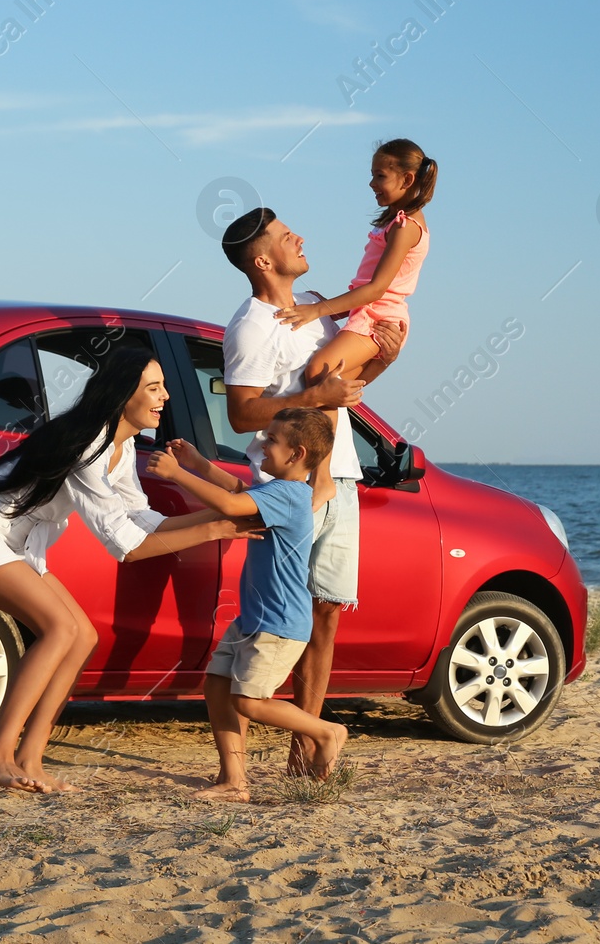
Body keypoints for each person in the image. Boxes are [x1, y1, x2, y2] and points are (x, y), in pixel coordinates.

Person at [0, 348, 254, 794]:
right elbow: (126, 547)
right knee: (59, 628)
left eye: (162, 387)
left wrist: (228, 519)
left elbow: (143, 522)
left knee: (83, 634)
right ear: (123, 396)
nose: (165, 397)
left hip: (12, 538)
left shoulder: (122, 447)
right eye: (153, 388)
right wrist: (216, 526)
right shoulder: (88, 444)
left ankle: (30, 759)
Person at [219, 205, 404, 776]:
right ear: (263, 259)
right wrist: (316, 400)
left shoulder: (321, 315)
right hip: (286, 488)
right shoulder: (250, 325)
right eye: (283, 235)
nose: (298, 237)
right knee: (265, 621)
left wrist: (379, 366)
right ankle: (237, 772)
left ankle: (307, 754)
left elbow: (342, 394)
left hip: (340, 478)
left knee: (326, 616)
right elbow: (242, 413)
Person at [145, 408, 348, 801]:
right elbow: (239, 494)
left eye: (271, 439)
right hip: (253, 619)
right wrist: (200, 463)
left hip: (278, 623)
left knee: (249, 701)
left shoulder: (289, 494)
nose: (260, 444)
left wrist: (177, 474)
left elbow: (230, 505)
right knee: (218, 687)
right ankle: (233, 781)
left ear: (296, 454)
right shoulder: (283, 489)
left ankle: (326, 731)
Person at [272, 139, 435, 506]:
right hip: (368, 311)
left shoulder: (406, 227)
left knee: (320, 371)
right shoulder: (395, 222)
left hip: (381, 317)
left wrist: (319, 310)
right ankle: (315, 470)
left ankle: (323, 477)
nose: (372, 183)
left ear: (407, 179)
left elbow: (378, 289)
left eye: (380, 176)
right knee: (334, 387)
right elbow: (368, 286)